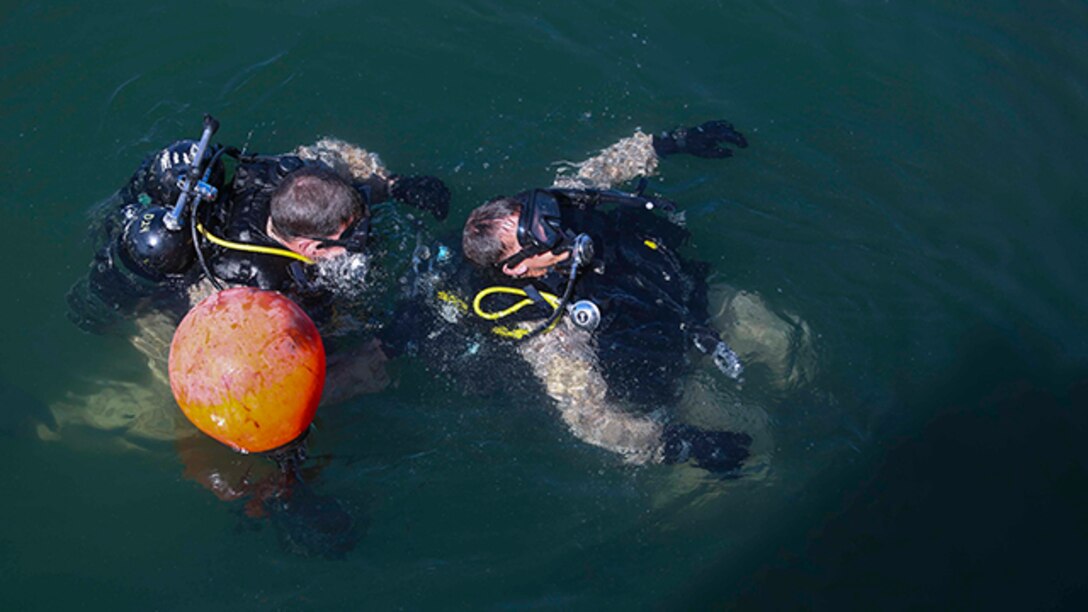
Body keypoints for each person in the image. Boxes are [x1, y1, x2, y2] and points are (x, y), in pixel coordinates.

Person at [425, 120, 814, 474]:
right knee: (758, 441)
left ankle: (816, 398)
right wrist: (686, 444)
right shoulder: (543, 328)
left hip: (683, 303)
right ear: (517, 266)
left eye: (545, 215)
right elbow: (590, 420)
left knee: (794, 343)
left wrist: (671, 143)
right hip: (666, 372)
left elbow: (600, 169)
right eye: (542, 235)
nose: (560, 229)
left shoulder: (561, 212)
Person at [54, 118, 450, 446]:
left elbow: (337, 153)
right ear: (309, 247)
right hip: (189, 313)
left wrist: (394, 185)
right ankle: (65, 419)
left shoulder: (294, 178)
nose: (360, 245)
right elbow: (259, 379)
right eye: (350, 240)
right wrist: (382, 349)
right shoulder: (247, 289)